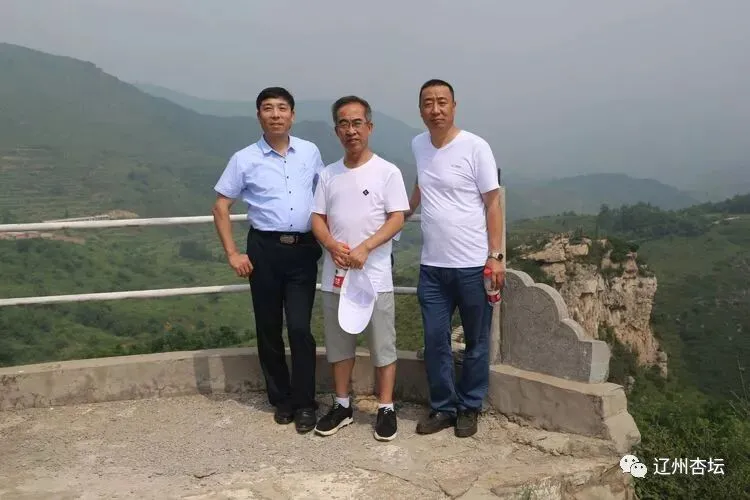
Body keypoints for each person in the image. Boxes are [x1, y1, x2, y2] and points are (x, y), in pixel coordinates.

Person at [211, 87, 324, 434]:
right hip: (264, 250)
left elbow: (324, 196)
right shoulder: (244, 159)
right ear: (259, 115)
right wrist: (233, 253)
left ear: (292, 114)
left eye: (282, 108)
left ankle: (305, 402)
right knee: (269, 327)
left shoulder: (310, 151)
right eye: (268, 108)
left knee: (300, 328)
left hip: (303, 249)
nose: (276, 114)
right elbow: (221, 206)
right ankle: (281, 399)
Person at [406, 79, 505, 438]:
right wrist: (403, 211)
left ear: (453, 106)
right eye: (428, 103)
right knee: (435, 340)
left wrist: (495, 256)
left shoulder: (476, 147)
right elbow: (422, 183)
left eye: (442, 102)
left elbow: (492, 202)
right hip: (432, 267)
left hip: (473, 266)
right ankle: (443, 407)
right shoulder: (418, 144)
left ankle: (470, 406)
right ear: (420, 109)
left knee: (476, 341)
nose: (435, 109)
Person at [310, 95, 409, 441]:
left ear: (369, 127)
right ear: (336, 130)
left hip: (375, 276)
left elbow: (397, 218)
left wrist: (366, 247)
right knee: (339, 345)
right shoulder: (328, 174)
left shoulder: (387, 172)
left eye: (357, 123)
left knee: (383, 344)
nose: (350, 130)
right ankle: (342, 405)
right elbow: (317, 218)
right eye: (343, 123)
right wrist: (330, 244)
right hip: (335, 275)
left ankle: (386, 407)